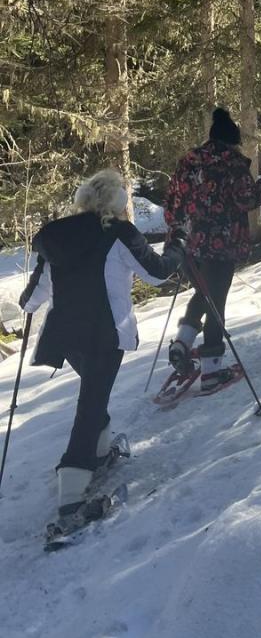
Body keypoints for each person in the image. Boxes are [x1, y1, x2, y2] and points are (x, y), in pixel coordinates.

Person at [19, 169, 186, 519]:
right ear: (117, 202)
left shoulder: (60, 235)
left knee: (95, 394)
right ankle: (71, 490)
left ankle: (97, 451)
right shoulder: (119, 233)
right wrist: (177, 248)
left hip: (65, 336)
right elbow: (156, 273)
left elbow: (36, 293)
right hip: (105, 333)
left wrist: (30, 304)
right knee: (91, 403)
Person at [164, 107, 261, 392]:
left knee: (203, 294)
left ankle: (182, 342)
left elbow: (171, 204)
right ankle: (212, 370)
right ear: (231, 141)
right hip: (221, 246)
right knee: (216, 302)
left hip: (186, 246)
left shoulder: (187, 163)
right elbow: (247, 199)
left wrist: (179, 232)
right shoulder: (233, 165)